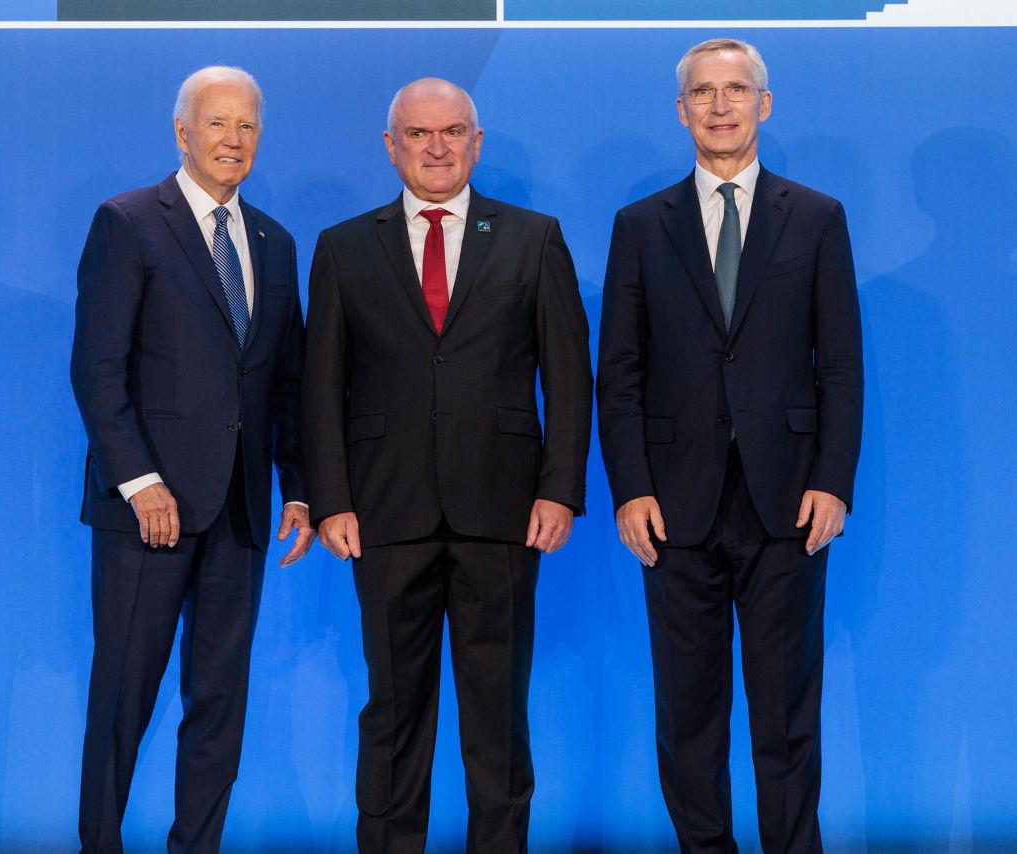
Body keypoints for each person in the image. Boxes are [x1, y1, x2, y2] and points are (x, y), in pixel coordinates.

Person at [302, 77, 592, 854]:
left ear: (477, 142)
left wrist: (561, 488)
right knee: (393, 711)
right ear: (391, 146)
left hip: (503, 511)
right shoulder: (343, 246)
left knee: (497, 713)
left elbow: (569, 375)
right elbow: (321, 384)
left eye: (453, 132)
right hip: (383, 512)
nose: (437, 148)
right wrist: (331, 499)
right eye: (420, 134)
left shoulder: (534, 237)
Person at [595, 39, 863, 854]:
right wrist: (630, 487)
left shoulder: (816, 217)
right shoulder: (640, 226)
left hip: (789, 503)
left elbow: (841, 366)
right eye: (703, 93)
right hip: (674, 507)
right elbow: (621, 373)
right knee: (690, 717)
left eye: (736, 90)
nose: (720, 105)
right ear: (682, 112)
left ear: (765, 104)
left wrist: (834, 482)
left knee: (787, 718)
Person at [69, 65, 314, 854]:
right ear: (182, 132)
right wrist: (140, 482)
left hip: (239, 513)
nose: (232, 140)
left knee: (219, 704)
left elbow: (287, 382)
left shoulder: (275, 242)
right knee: (124, 699)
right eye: (217, 123)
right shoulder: (130, 221)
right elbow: (97, 369)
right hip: (149, 513)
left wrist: (299, 491)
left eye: (246, 126)